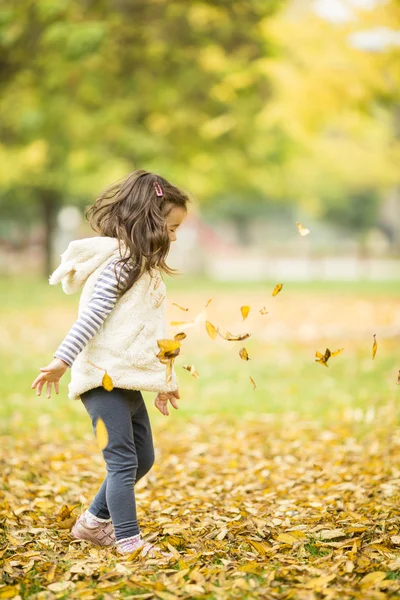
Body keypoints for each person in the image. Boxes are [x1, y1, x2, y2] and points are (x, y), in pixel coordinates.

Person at [31, 170, 189, 558]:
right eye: (171, 227)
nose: (173, 236)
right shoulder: (118, 267)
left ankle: (90, 523)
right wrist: (60, 361)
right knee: (122, 462)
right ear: (149, 222)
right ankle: (129, 541)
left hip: (123, 379)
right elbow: (90, 319)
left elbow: (149, 332)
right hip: (100, 382)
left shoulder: (143, 271)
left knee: (144, 458)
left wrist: (164, 380)